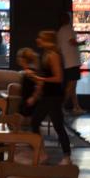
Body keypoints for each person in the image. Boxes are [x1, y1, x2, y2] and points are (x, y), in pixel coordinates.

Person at [29, 31, 72, 164]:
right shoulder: (46, 54)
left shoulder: (53, 55)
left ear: (47, 40)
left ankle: (66, 156)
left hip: (53, 96)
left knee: (57, 125)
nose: (37, 40)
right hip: (48, 95)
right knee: (36, 122)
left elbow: (58, 78)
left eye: (40, 38)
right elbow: (45, 75)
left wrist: (40, 78)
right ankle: (44, 152)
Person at [57, 12, 85, 115]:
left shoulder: (60, 31)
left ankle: (76, 107)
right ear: (68, 19)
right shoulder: (69, 29)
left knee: (72, 86)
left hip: (66, 62)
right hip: (73, 61)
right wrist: (82, 43)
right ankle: (60, 106)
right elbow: (72, 42)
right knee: (71, 86)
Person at [16, 47, 41, 117]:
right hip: (26, 100)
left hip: (30, 101)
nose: (18, 59)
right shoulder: (27, 71)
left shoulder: (29, 72)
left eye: (19, 57)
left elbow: (39, 85)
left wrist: (33, 98)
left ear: (24, 59)